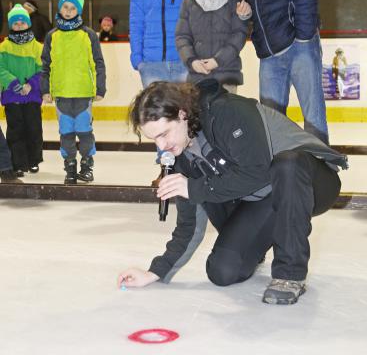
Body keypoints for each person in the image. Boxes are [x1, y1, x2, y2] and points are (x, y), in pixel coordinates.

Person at [118, 79, 347, 305]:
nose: (161, 146)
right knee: (223, 271)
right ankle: (257, 246)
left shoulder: (227, 111)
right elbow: (189, 225)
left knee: (287, 163)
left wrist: (195, 187)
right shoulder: (180, 158)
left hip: (310, 182)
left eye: (164, 134)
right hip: (263, 199)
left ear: (182, 115)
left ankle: (289, 275)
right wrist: (156, 272)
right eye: (153, 139)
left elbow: (258, 171)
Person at [221, 0, 329, 144]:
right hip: (269, 54)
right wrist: (246, 14)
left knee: (313, 115)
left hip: (299, 46)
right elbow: (259, 8)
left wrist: (303, 36)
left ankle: (323, 171)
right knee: (271, 121)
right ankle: (280, 172)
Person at [129, 0, 192, 184]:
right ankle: (166, 170)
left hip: (182, 57)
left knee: (184, 115)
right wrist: (138, 58)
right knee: (158, 116)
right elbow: (136, 20)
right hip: (152, 62)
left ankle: (189, 167)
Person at [41, 0, 106, 185]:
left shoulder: (88, 35)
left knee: (84, 130)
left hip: (83, 92)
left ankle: (87, 166)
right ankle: (70, 166)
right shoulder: (52, 36)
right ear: (60, 9)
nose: (68, 11)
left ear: (79, 11)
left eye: (73, 8)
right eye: (65, 7)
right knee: (66, 132)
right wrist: (45, 90)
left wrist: (100, 88)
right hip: (61, 94)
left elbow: (98, 62)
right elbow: (45, 66)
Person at [175, 0, 250, 94]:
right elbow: (182, 37)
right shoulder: (188, 2)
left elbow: (239, 34)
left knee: (226, 116)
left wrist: (218, 60)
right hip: (197, 76)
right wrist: (192, 61)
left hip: (226, 74)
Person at [0, 4, 43, 176]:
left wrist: (30, 84)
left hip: (31, 96)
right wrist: (13, 83)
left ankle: (33, 160)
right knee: (15, 129)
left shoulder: (37, 48)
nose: (19, 26)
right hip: (12, 96)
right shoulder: (3, 47)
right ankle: (17, 162)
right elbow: (1, 68)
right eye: (15, 23)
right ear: (10, 26)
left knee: (33, 129)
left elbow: (43, 70)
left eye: (22, 23)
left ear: (28, 24)